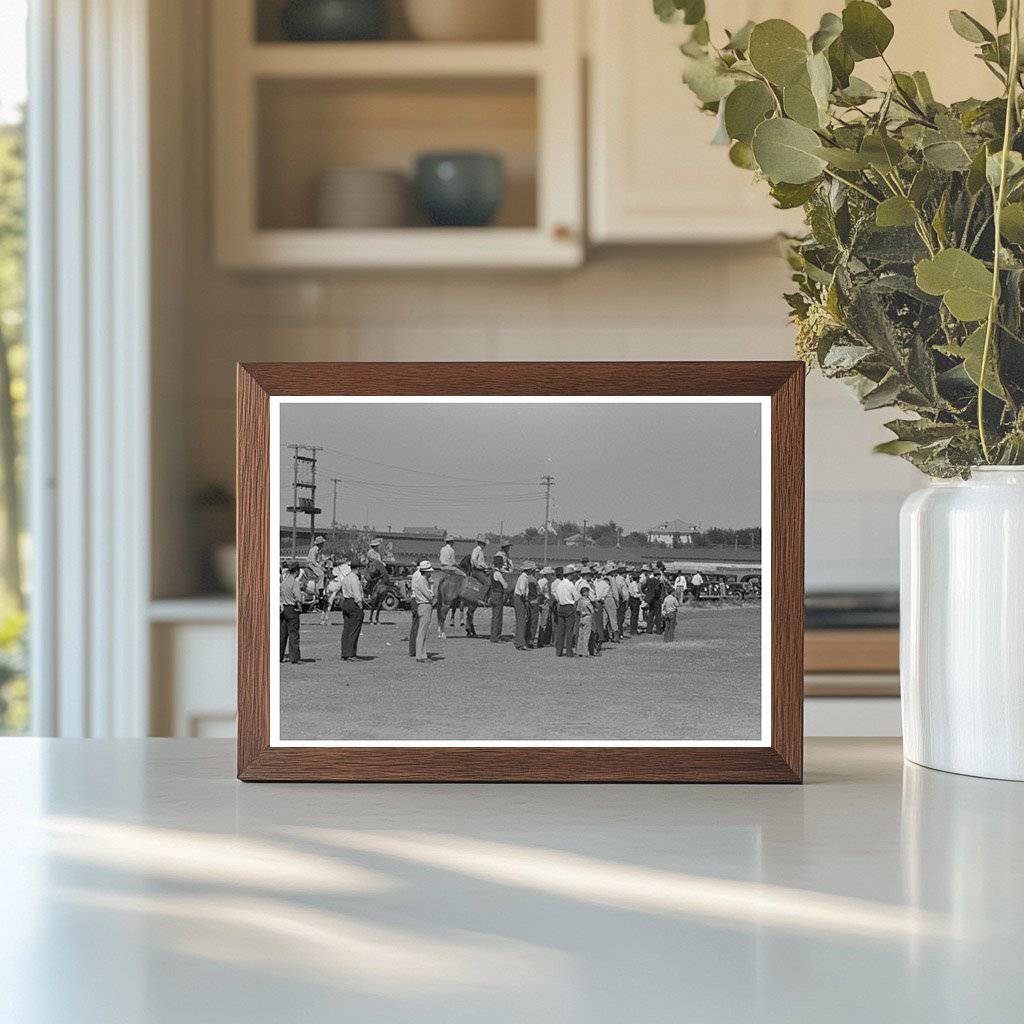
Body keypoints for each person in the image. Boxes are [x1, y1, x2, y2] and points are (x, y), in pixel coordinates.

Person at [408, 559, 435, 663]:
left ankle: (421, 654)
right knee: (422, 631)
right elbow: (429, 595)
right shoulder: (422, 581)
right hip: (424, 605)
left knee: (422, 631)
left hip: (423, 605)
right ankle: (420, 655)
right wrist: (432, 594)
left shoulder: (421, 579)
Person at [339, 559, 364, 661]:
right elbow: (357, 593)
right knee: (354, 629)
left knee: (347, 629)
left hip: (346, 602)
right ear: (357, 569)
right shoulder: (354, 579)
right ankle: (351, 653)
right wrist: (360, 605)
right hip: (353, 603)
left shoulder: (346, 578)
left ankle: (345, 652)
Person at [553, 564, 579, 657]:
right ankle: (569, 651)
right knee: (569, 630)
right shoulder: (570, 584)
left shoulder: (559, 584)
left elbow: (557, 596)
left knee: (560, 630)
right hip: (569, 607)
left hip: (561, 607)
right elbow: (577, 597)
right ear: (570, 575)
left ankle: (558, 651)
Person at [280, 563, 302, 663]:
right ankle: (294, 658)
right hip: (292, 609)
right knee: (293, 634)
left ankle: (279, 656)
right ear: (296, 571)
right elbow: (297, 597)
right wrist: (300, 608)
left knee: (283, 634)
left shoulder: (284, 582)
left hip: (284, 609)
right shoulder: (295, 582)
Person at [513, 561, 536, 650]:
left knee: (520, 621)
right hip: (520, 599)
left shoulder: (523, 577)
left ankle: (519, 641)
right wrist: (526, 600)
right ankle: (521, 643)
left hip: (519, 598)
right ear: (529, 570)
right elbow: (522, 590)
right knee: (521, 621)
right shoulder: (523, 578)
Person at [534, 566, 554, 648]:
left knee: (542, 621)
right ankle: (541, 641)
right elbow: (539, 591)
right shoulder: (544, 581)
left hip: (541, 602)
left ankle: (541, 640)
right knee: (544, 622)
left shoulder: (542, 580)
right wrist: (545, 597)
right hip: (543, 602)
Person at [489, 554, 506, 643]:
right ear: (500, 564)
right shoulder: (498, 574)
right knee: (498, 617)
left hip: (493, 594)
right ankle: (496, 637)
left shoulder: (492, 572)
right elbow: (505, 585)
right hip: (499, 595)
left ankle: (493, 636)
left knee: (494, 616)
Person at [575, 584, 596, 657]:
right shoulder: (587, 601)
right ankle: (585, 652)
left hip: (581, 618)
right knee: (587, 635)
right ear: (585, 593)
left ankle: (579, 651)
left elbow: (577, 610)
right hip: (587, 617)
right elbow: (592, 610)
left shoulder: (579, 601)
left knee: (581, 635)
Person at [627, 571, 642, 636]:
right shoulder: (635, 584)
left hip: (631, 600)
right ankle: (634, 630)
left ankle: (632, 630)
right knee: (635, 615)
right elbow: (635, 595)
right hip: (635, 600)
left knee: (633, 615)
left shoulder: (631, 583)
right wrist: (641, 595)